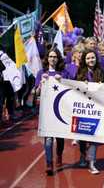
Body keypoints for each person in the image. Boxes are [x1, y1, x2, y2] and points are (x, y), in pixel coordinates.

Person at [76, 49, 104, 174]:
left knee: (94, 137)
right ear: (84, 61)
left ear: (96, 59)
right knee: (82, 136)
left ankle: (92, 163)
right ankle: (82, 156)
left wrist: (103, 86)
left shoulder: (102, 73)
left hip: (97, 110)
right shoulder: (80, 73)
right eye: (88, 58)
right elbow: (74, 90)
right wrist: (81, 84)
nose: (91, 60)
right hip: (83, 109)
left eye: (92, 58)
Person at [35, 47, 68, 175]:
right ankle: (49, 163)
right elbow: (36, 92)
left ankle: (59, 155)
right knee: (48, 139)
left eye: (55, 57)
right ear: (47, 58)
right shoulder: (41, 73)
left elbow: (71, 90)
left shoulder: (64, 73)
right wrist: (40, 85)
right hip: (46, 111)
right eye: (50, 56)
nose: (52, 59)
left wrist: (63, 81)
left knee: (60, 138)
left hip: (61, 110)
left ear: (58, 58)